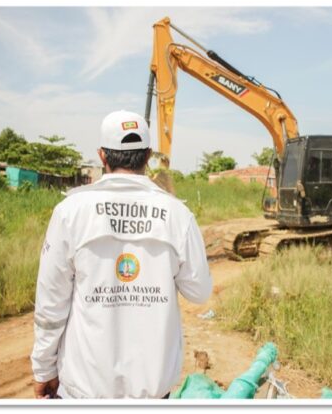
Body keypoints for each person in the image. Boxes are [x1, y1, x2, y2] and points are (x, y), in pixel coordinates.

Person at [30, 110, 213, 399]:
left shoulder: (70, 212)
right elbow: (199, 292)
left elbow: (51, 303)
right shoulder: (178, 214)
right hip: (152, 393)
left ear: (102, 156)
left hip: (84, 392)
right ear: (148, 155)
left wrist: (43, 369)